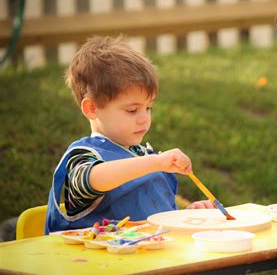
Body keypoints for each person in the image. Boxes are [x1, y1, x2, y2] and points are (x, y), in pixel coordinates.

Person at [46, 36, 213, 234]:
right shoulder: (83, 157)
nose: (144, 119)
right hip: (93, 261)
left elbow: (157, 221)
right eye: (132, 110)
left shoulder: (144, 156)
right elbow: (93, 179)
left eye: (148, 107)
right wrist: (156, 162)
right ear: (92, 108)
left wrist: (186, 216)